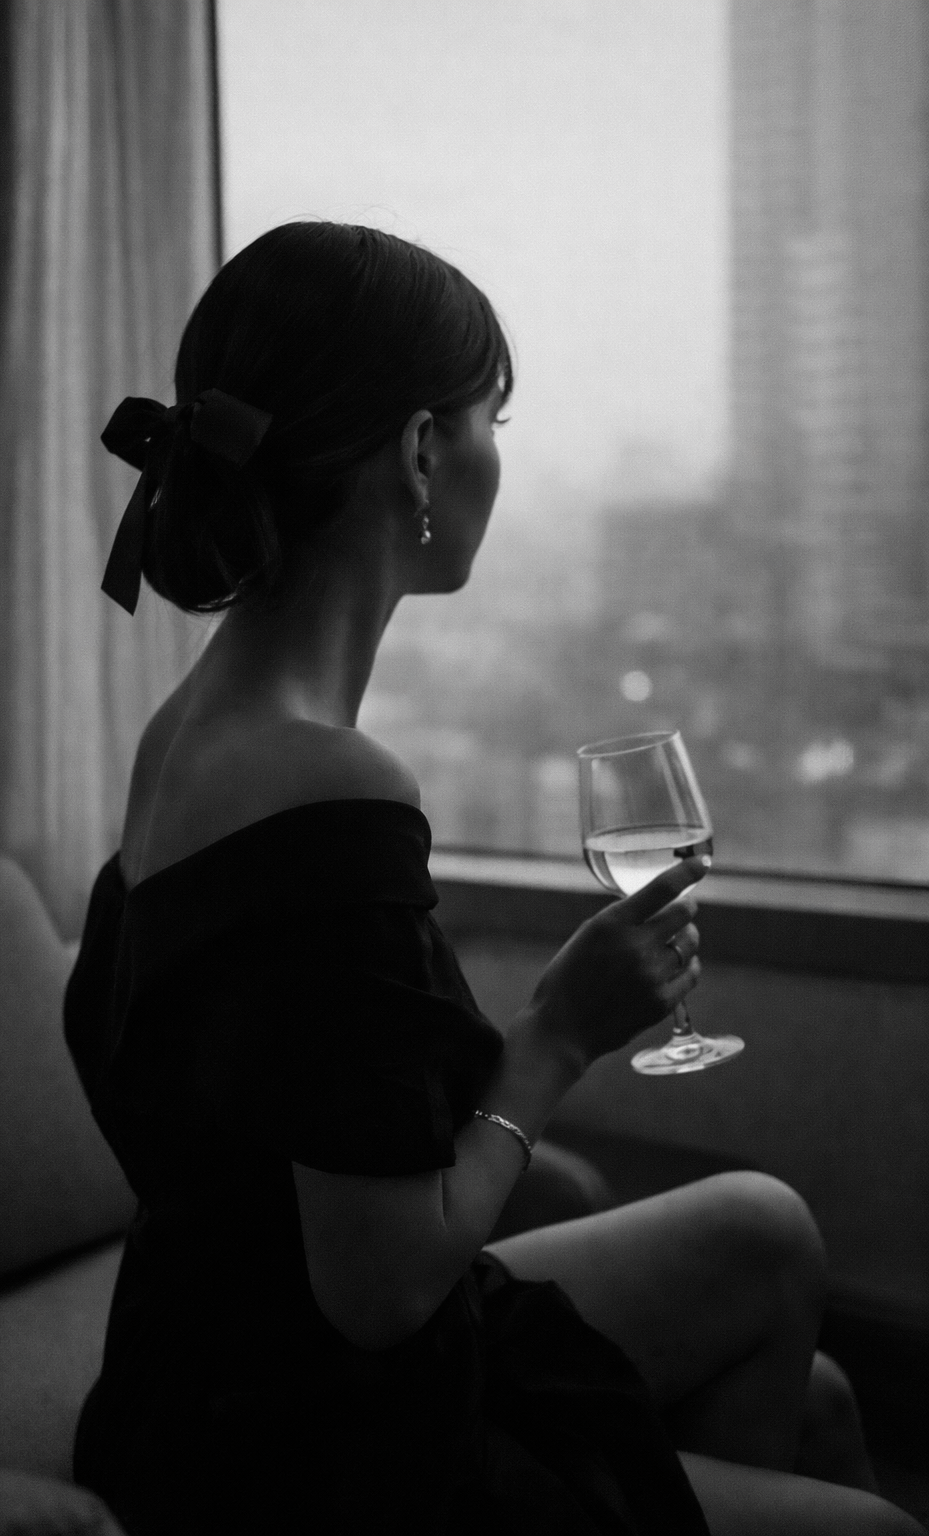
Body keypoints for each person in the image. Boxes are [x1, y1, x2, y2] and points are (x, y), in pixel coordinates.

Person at [65, 221, 919, 1536]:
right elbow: (382, 1290)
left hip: (197, 1365)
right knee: (852, 1471)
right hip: (302, 1444)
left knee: (766, 1232)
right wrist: (558, 1036)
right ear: (421, 450)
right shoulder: (329, 782)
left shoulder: (181, 736)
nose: (496, 455)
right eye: (492, 416)